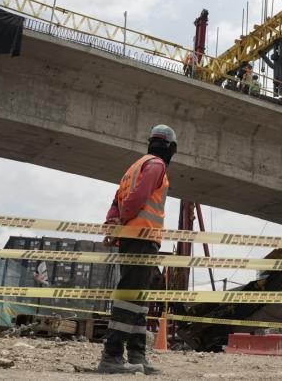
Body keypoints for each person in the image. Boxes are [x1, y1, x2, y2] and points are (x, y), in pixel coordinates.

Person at [97, 124, 177, 375]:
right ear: (171, 148)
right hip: (142, 237)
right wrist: (122, 220)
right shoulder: (156, 165)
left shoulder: (133, 168)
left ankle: (136, 355)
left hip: (135, 239)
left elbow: (115, 200)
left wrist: (113, 224)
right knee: (131, 296)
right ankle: (111, 356)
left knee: (139, 298)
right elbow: (136, 197)